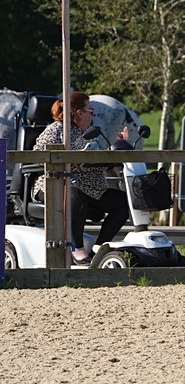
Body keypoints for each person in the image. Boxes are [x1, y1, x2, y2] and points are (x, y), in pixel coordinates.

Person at [32, 92, 129, 265]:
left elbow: (97, 160)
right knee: (74, 194)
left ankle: (98, 248)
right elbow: (38, 154)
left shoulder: (89, 132)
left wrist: (116, 145)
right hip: (56, 184)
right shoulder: (57, 129)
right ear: (79, 113)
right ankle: (77, 248)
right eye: (91, 111)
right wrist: (68, 158)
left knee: (122, 202)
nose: (93, 116)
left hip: (90, 188)